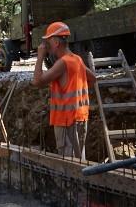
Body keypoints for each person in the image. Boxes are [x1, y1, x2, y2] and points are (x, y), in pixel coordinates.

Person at [31, 21, 95, 159]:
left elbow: (37, 81)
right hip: (80, 118)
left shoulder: (62, 63)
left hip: (66, 121)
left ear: (56, 42)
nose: (46, 46)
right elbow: (92, 79)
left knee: (69, 163)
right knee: (80, 160)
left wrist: (40, 56)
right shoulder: (77, 59)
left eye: (48, 41)